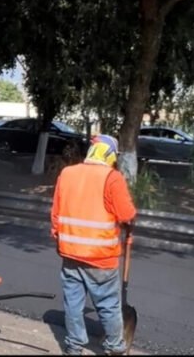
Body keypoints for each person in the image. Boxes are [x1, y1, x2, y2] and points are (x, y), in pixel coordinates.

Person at [50, 134, 137, 356]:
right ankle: (115, 347)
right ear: (109, 155)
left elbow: (56, 215)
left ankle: (74, 346)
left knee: (73, 303)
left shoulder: (67, 173)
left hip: (70, 253)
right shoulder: (112, 178)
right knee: (108, 304)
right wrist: (130, 221)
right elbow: (126, 214)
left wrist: (59, 240)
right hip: (101, 258)